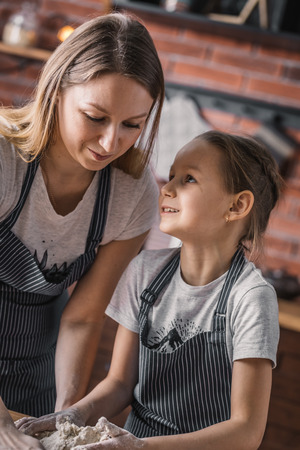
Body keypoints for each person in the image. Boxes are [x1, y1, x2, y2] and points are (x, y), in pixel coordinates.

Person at [17, 130, 283, 449]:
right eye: (171, 176)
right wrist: (72, 414)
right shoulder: (145, 271)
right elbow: (119, 383)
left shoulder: (251, 298)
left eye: (189, 179)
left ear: (237, 205)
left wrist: (142, 448)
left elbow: (245, 432)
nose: (166, 188)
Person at [0, 10, 165, 444]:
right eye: (95, 116)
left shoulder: (133, 195)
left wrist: (65, 414)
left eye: (133, 125)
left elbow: (83, 316)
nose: (112, 143)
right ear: (56, 92)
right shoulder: (3, 160)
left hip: (32, 372)